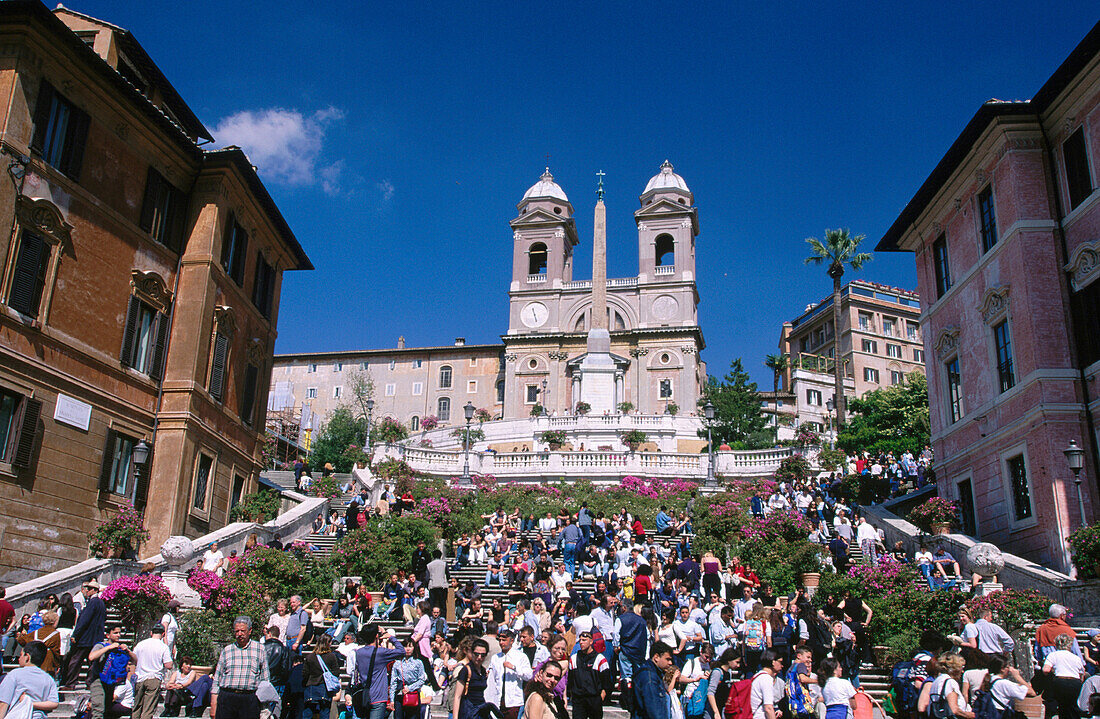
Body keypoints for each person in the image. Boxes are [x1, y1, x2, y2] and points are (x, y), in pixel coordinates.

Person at [210, 616, 271, 719]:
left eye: (243, 631)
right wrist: (213, 704)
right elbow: (217, 679)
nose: (239, 634)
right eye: (237, 631)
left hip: (249, 699)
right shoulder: (227, 650)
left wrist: (264, 707)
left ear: (250, 631)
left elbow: (265, 679)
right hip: (227, 698)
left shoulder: (260, 649)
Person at [353, 624, 406, 719]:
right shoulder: (381, 652)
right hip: (378, 698)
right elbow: (401, 651)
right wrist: (389, 636)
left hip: (365, 697)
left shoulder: (359, 653)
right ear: (377, 636)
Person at [62, 579, 106, 689]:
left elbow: (84, 620)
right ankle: (90, 683)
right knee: (92, 663)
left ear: (94, 590)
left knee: (76, 661)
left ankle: (70, 683)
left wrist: (76, 634)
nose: (87, 591)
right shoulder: (101, 603)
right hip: (95, 637)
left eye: (89, 589)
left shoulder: (92, 602)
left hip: (86, 638)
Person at [0, 641, 59, 719]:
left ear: (27, 657)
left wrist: (26, 702)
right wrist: (32, 703)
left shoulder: (14, 675)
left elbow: (4, 703)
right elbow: (54, 703)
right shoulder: (48, 678)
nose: (19, 659)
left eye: (21, 655)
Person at [88, 624, 135, 719]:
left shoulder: (119, 648)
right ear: (108, 635)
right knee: (98, 707)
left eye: (119, 633)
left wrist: (128, 651)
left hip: (111, 682)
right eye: (115, 633)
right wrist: (108, 648)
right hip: (98, 680)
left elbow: (135, 661)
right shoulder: (100, 645)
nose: (118, 635)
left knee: (107, 708)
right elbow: (91, 657)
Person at [486, 629, 531, 719]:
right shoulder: (496, 658)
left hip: (513, 701)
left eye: (504, 640)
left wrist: (514, 668)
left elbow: (529, 675)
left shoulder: (520, 656)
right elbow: (492, 678)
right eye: (500, 640)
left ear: (511, 641)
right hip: (498, 700)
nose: (501, 643)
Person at [132, 624, 173, 719]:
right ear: (163, 634)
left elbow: (134, 659)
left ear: (151, 633)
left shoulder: (140, 644)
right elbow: (168, 665)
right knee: (148, 709)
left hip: (140, 677)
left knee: (137, 707)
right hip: (154, 678)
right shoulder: (163, 647)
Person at [1042, 633, 1086, 719]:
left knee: (1061, 707)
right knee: (1073, 707)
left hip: (1060, 682)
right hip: (1075, 683)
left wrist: (1052, 672)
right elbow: (1082, 673)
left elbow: (1045, 670)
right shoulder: (1076, 657)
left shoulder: (1053, 655)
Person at [917, 654, 975, 719]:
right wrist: (969, 715)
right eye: (961, 667)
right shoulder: (950, 682)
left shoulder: (937, 681)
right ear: (954, 669)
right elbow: (954, 709)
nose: (962, 671)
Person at [569, 630, 612, 719]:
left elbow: (606, 682)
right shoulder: (573, 658)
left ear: (591, 642)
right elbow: (570, 680)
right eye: (580, 640)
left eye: (584, 640)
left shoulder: (600, 659)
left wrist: (600, 698)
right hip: (579, 700)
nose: (581, 642)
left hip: (594, 699)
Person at [303, 634, 341, 719]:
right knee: (325, 712)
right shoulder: (331, 656)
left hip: (311, 686)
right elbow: (336, 672)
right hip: (325, 687)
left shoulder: (310, 657)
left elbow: (305, 673)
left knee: (308, 712)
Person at [635, 642, 675, 719]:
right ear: (656, 657)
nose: (670, 663)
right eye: (667, 659)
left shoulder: (654, 674)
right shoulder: (649, 677)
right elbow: (654, 710)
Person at [389, 637, 427, 719]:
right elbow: (393, 682)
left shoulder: (418, 662)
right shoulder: (397, 663)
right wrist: (392, 699)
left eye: (410, 646)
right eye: (406, 646)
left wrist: (410, 688)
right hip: (399, 695)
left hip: (412, 695)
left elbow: (422, 679)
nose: (408, 649)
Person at [16, 611, 61, 676]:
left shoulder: (37, 631)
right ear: (55, 621)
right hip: (47, 662)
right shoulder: (55, 634)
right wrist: (57, 664)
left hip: (35, 660)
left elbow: (21, 640)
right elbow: (56, 650)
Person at [749, 650, 783, 719]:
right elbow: (768, 708)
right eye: (780, 662)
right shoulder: (766, 679)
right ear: (773, 662)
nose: (782, 666)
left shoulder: (757, 676)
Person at [427, 551, 450, 618]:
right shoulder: (444, 564)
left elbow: (427, 577)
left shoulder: (429, 565)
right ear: (440, 556)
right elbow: (448, 574)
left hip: (433, 586)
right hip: (442, 586)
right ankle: (443, 618)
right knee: (442, 604)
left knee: (432, 604)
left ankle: (432, 618)